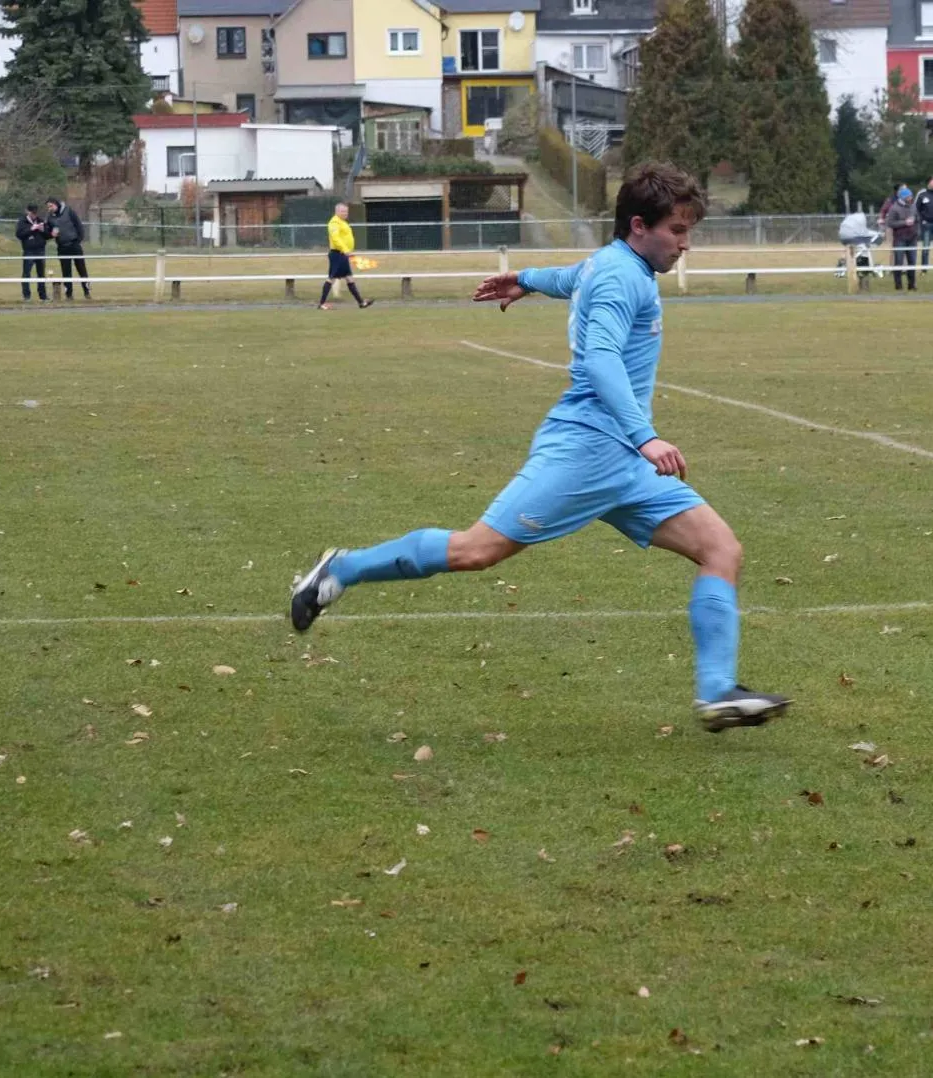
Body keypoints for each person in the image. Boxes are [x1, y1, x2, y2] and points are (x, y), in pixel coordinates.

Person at [289, 162, 791, 729]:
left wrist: (525, 279)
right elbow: (600, 359)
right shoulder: (622, 277)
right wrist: (646, 436)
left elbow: (573, 275)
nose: (685, 243)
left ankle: (717, 690)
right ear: (638, 226)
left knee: (720, 549)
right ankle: (342, 569)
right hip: (585, 451)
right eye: (677, 230)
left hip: (623, 463)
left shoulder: (613, 263)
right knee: (477, 550)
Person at [320, 202, 374, 310]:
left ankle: (361, 302)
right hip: (337, 254)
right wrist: (345, 250)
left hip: (343, 255)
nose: (345, 213)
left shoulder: (343, 222)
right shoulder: (334, 223)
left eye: (346, 211)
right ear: (337, 211)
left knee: (349, 278)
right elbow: (335, 238)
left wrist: (348, 251)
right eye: (343, 211)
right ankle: (322, 304)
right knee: (331, 278)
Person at [44, 198, 89, 300]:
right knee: (66, 272)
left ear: (56, 204)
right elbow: (47, 233)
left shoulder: (68, 211)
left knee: (81, 269)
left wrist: (78, 240)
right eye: (48, 207)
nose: (49, 208)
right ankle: (69, 295)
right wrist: (51, 234)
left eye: (51, 206)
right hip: (62, 247)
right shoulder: (49, 218)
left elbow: (78, 225)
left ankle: (87, 291)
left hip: (74, 245)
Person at [883, 184, 918, 291]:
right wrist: (904, 223)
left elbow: (918, 218)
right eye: (908, 197)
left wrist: (916, 228)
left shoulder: (913, 206)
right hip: (900, 238)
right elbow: (890, 223)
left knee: (912, 262)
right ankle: (898, 285)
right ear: (903, 197)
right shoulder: (894, 208)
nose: (910, 198)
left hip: (912, 238)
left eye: (911, 196)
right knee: (898, 261)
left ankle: (911, 284)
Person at [15, 203, 49, 302]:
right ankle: (27, 296)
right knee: (26, 273)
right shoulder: (22, 221)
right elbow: (19, 234)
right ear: (27, 211)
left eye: (35, 213)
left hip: (40, 250)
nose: (34, 215)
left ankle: (43, 296)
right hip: (29, 251)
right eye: (32, 213)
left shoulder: (40, 221)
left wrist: (43, 230)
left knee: (41, 274)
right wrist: (31, 229)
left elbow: (47, 235)